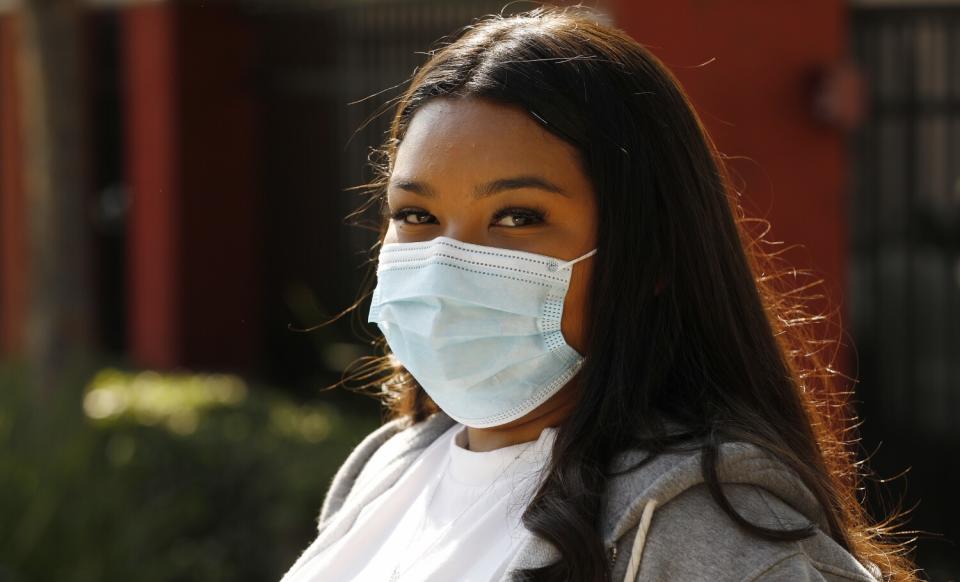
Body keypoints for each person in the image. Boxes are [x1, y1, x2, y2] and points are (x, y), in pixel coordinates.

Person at [280, 5, 917, 581]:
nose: (450, 260)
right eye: (415, 216)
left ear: (651, 255)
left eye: (518, 216)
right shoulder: (387, 467)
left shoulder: (704, 528)